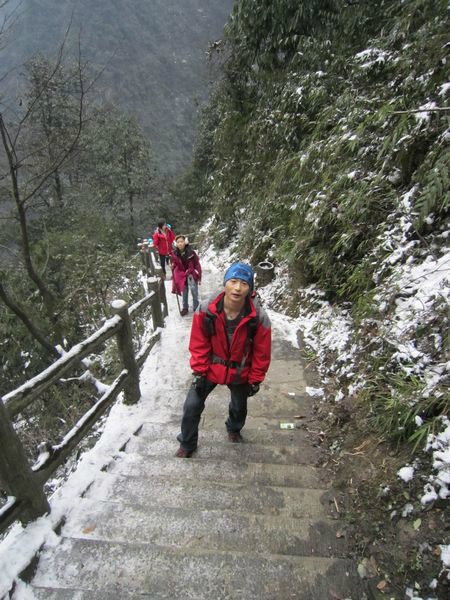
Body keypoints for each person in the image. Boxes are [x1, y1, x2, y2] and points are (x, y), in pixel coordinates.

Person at [175, 262, 272, 458]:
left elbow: (262, 352)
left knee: (239, 405)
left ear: (250, 289)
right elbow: (199, 342)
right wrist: (200, 371)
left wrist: (255, 379)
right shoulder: (206, 309)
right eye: (233, 281)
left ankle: (234, 428)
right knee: (191, 406)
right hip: (210, 367)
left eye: (244, 283)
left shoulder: (258, 317)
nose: (237, 288)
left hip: (239, 369)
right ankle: (187, 443)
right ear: (225, 283)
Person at [171, 235, 202, 316]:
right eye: (178, 242)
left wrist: (198, 273)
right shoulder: (175, 253)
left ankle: (196, 306)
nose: (180, 243)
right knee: (184, 290)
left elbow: (197, 263)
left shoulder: (191, 252)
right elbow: (175, 264)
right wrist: (173, 266)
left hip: (191, 272)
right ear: (176, 244)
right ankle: (185, 308)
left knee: (194, 289)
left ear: (185, 242)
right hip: (182, 274)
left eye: (181, 241)